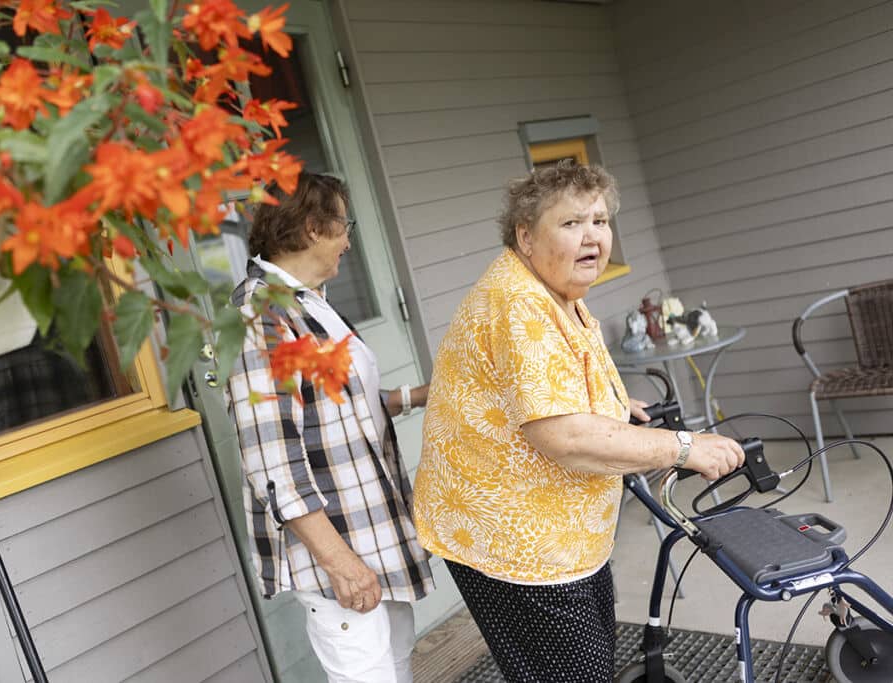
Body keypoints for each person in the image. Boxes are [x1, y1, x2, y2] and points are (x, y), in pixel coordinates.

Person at [412, 161, 745, 683]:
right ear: (526, 235)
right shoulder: (520, 305)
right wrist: (682, 447)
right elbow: (561, 434)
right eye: (571, 224)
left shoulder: (554, 288)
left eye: (600, 220)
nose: (592, 237)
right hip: (517, 540)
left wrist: (615, 406)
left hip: (551, 533)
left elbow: (559, 376)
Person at [226, 172, 434, 683]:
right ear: (314, 227)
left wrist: (422, 395)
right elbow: (272, 462)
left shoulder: (308, 302)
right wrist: (342, 564)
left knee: (397, 662)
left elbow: (340, 410)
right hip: (337, 548)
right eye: (344, 226)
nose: (348, 241)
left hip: (372, 533)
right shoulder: (261, 317)